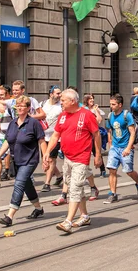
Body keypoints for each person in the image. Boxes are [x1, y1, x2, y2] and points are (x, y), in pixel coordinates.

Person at [44, 89, 102, 234]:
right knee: (73, 187)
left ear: (73, 101)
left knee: (75, 188)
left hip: (81, 158)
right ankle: (84, 216)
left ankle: (68, 221)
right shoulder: (63, 116)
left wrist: (98, 155)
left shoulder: (87, 115)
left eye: (63, 100)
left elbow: (96, 135)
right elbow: (55, 135)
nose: (61, 102)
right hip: (67, 157)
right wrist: (47, 152)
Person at [0, 95, 47, 226]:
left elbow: (42, 141)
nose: (19, 108)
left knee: (19, 183)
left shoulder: (33, 123)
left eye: (22, 106)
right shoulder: (13, 123)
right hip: (16, 159)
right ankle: (38, 208)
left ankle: (9, 215)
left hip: (30, 159)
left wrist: (46, 157)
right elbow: (7, 141)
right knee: (26, 184)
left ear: (28, 108)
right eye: (17, 106)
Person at [104, 94, 138, 203]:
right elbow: (109, 130)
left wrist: (128, 148)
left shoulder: (127, 115)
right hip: (115, 148)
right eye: (110, 104)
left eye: (113, 104)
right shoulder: (110, 115)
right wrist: (110, 142)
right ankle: (113, 193)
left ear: (120, 105)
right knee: (112, 170)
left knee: (129, 171)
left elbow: (132, 133)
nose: (111, 106)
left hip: (126, 147)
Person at [40, 86, 64, 192]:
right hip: (43, 136)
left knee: (51, 159)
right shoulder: (43, 104)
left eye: (60, 93)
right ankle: (59, 176)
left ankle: (47, 183)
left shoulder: (61, 106)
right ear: (51, 94)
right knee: (46, 159)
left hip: (56, 137)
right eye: (57, 93)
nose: (59, 95)